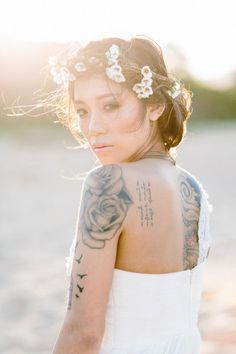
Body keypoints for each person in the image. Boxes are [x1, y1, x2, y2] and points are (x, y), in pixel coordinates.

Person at [49, 35, 213, 354]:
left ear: (155, 106)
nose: (93, 127)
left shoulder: (108, 183)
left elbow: (83, 332)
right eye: (82, 111)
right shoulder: (192, 187)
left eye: (110, 106)